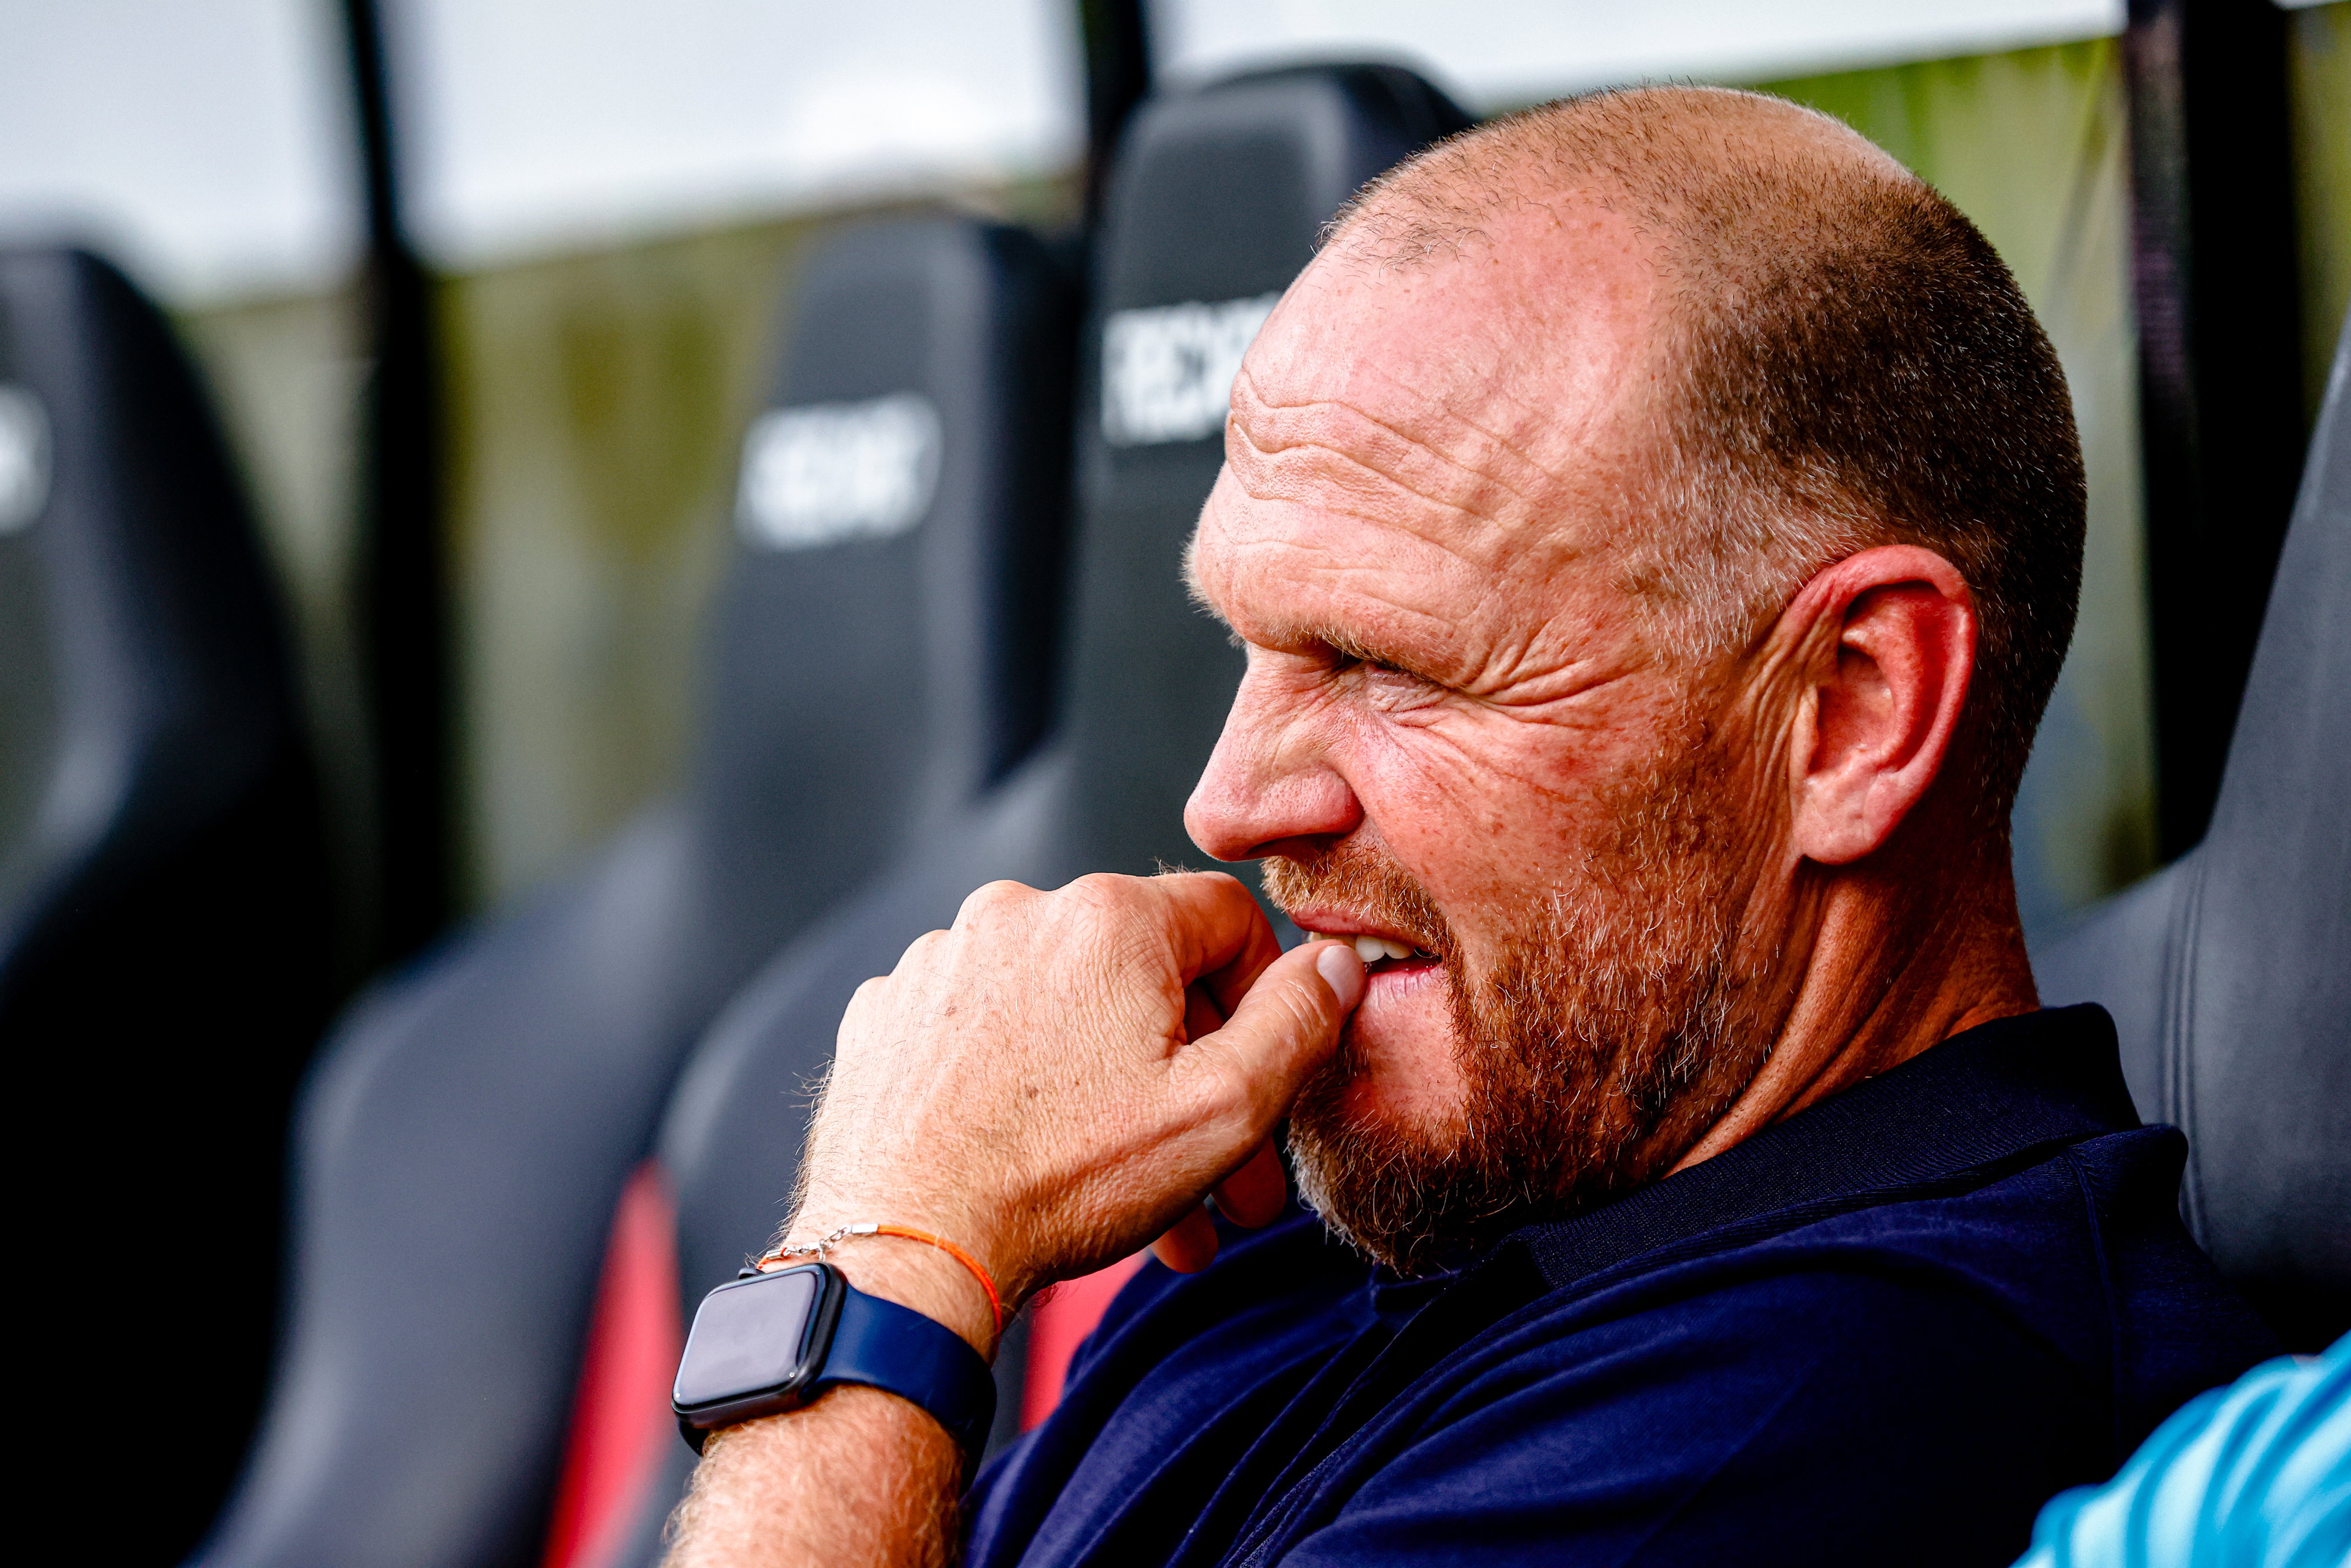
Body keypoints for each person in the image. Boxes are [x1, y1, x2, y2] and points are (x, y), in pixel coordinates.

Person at [664, 86, 2276, 1568]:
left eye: (1378, 663)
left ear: (1854, 707)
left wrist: (887, 1267)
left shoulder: (1833, 1400)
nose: (1230, 803)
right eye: (1251, 647)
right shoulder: (1402, 1234)